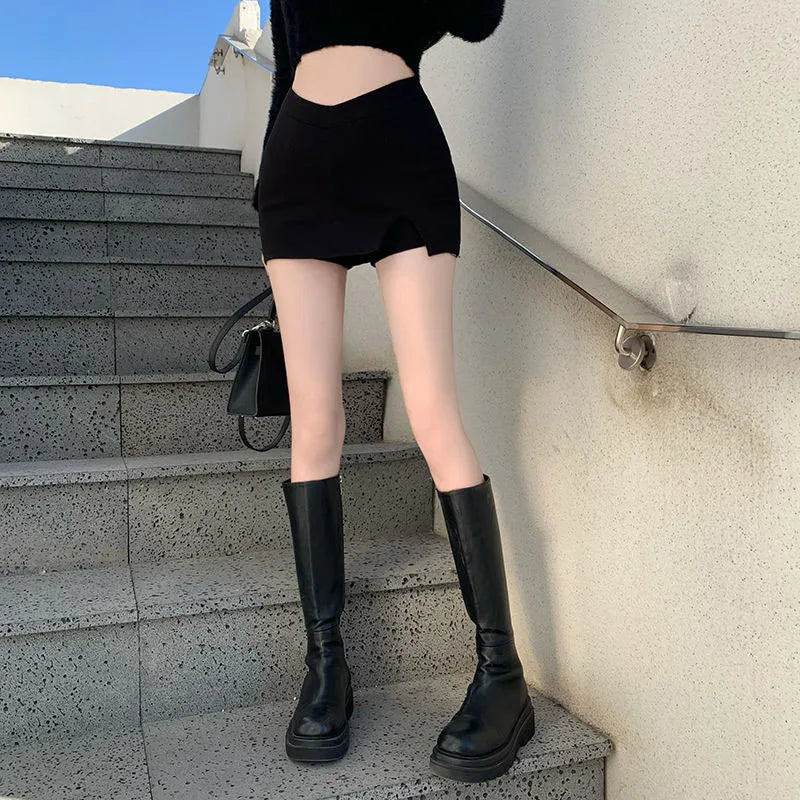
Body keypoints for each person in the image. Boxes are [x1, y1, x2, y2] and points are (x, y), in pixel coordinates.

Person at [252, 0, 534, 784]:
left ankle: (502, 674)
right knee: (315, 423)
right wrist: (270, 174)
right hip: (298, 161)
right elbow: (286, 55)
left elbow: (478, 16)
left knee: (433, 411)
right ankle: (326, 667)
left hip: (398, 146)